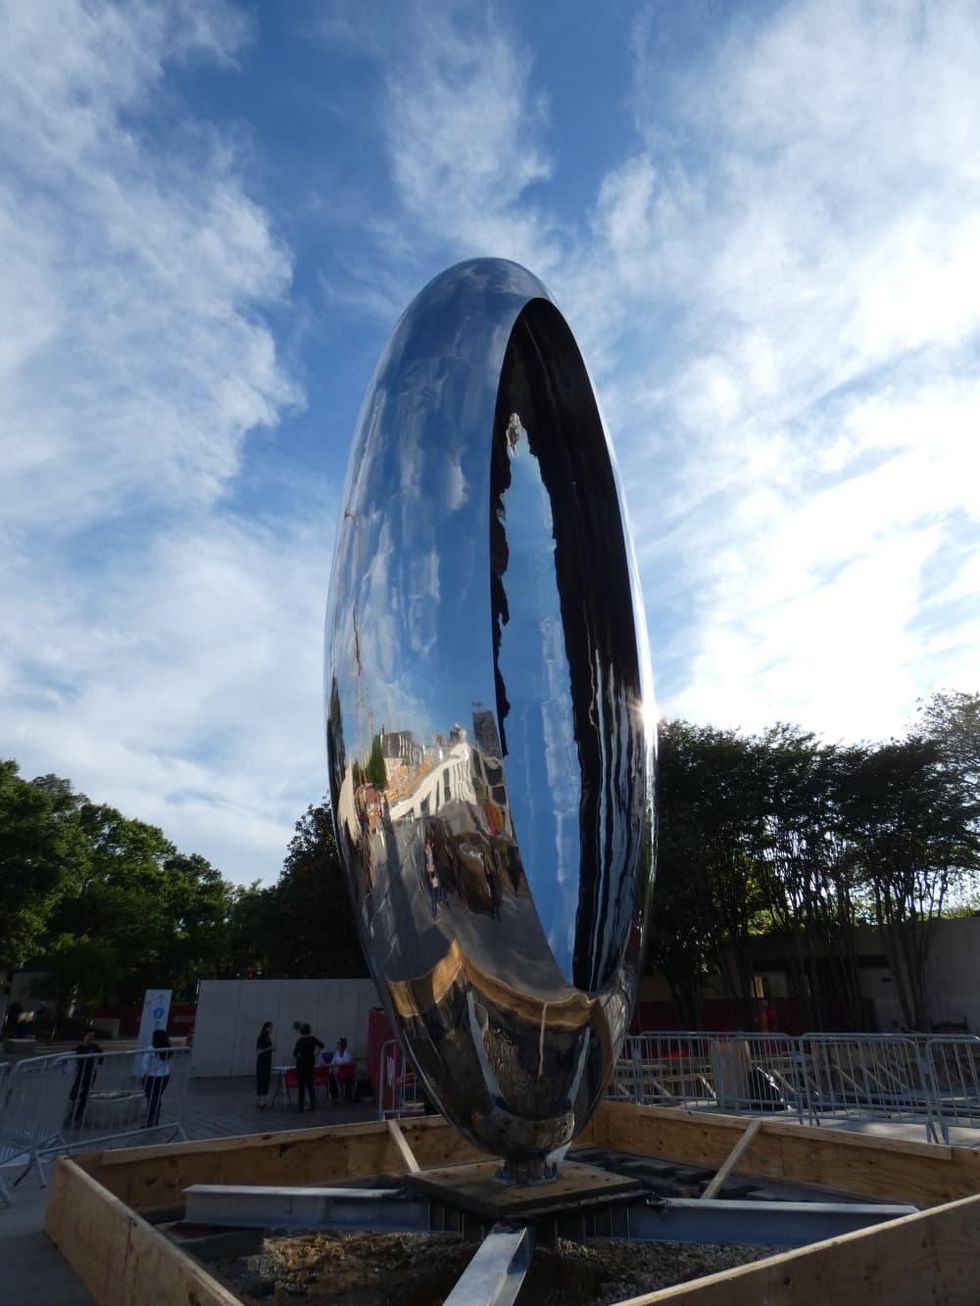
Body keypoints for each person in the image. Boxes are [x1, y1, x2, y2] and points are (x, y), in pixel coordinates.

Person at [66, 1028, 103, 1127]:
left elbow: (101, 1057)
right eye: (89, 1035)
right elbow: (69, 1059)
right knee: (73, 1093)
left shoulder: (95, 1047)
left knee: (85, 1095)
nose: (91, 1038)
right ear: (84, 1036)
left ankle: (78, 1117)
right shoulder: (78, 1049)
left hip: (90, 1074)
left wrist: (97, 1065)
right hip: (80, 1073)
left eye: (93, 1036)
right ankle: (70, 1113)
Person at [141, 1028, 172, 1127]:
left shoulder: (151, 1049)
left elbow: (145, 1064)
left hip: (152, 1076)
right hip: (164, 1076)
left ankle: (150, 1120)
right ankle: (155, 1119)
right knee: (157, 1098)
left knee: (151, 1098)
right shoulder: (168, 1049)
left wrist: (146, 1073)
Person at [292, 1023, 324, 1111]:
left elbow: (295, 1053)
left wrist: (299, 1057)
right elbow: (322, 1045)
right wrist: (315, 1054)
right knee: (310, 1085)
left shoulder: (300, 1040)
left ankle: (301, 1107)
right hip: (310, 1064)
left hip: (301, 1065)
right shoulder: (312, 1039)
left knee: (301, 1087)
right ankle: (313, 1106)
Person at [328, 1037, 354, 1103]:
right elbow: (332, 1063)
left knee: (335, 1076)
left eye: (339, 1043)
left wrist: (343, 1052)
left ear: (343, 1045)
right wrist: (331, 1068)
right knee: (330, 1075)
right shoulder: (336, 1053)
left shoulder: (347, 1052)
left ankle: (345, 1095)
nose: (338, 1045)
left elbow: (348, 1061)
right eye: (338, 1044)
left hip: (346, 1073)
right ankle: (335, 1095)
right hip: (338, 1072)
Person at [255, 1021, 274, 1108]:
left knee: (266, 1080)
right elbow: (259, 1051)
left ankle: (261, 1099)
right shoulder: (261, 1038)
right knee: (261, 1079)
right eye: (270, 1028)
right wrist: (269, 1048)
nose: (271, 1029)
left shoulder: (268, 1038)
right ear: (266, 1028)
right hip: (262, 1062)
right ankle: (261, 1100)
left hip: (267, 1061)